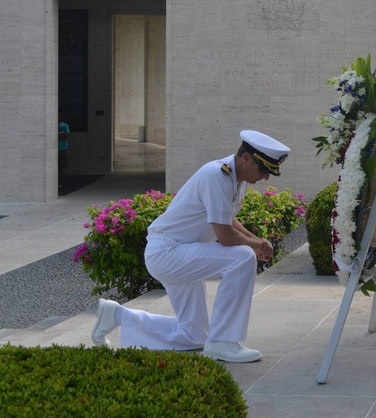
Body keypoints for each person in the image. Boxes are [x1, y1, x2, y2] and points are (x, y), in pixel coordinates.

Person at [91, 130, 290, 363]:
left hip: (182, 252)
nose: (265, 177)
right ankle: (222, 341)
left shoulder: (235, 178)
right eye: (263, 170)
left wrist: (257, 241)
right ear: (246, 158)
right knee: (243, 257)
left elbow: (227, 218)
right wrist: (256, 245)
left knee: (193, 336)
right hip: (168, 253)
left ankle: (116, 315)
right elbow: (225, 237)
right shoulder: (217, 176)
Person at [57, 111, 70, 189]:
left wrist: (58, 134)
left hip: (62, 148)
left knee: (60, 166)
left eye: (59, 115)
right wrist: (60, 134)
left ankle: (59, 182)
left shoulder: (65, 125)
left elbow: (67, 135)